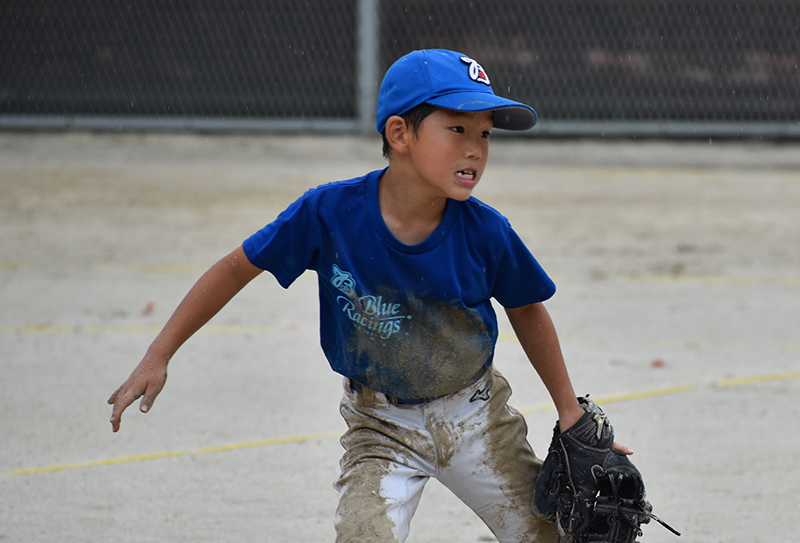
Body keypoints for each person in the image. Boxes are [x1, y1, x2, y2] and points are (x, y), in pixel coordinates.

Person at [108, 48, 630, 543]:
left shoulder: (487, 232)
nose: (475, 149)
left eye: (485, 134)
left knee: (548, 535)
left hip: (476, 417)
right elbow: (235, 269)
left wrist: (571, 414)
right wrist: (159, 353)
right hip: (380, 425)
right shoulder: (329, 213)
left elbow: (527, 309)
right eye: (457, 128)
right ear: (399, 133)